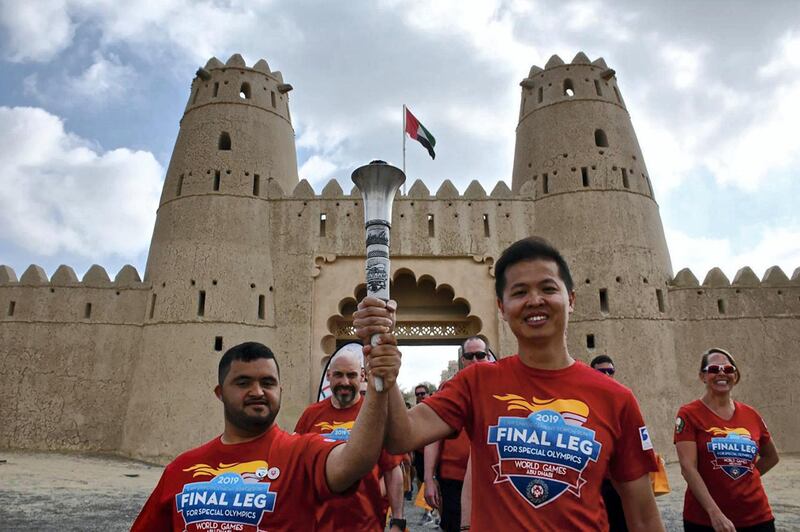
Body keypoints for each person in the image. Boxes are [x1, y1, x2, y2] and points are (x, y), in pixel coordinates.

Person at [354, 236, 664, 531]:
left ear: (570, 300)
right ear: (501, 308)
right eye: (519, 292)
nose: (534, 300)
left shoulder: (616, 399)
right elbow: (401, 437)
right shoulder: (476, 382)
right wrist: (386, 369)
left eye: (547, 288)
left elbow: (643, 518)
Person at [131, 340, 400, 531]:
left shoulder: (302, 454)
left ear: (280, 391)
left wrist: (378, 386)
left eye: (268, 383)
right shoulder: (181, 469)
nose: (258, 391)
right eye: (243, 382)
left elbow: (356, 460)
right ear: (220, 393)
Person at [294, 344, 406, 532]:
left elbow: (392, 470)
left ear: (362, 376)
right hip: (318, 523)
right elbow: (296, 467)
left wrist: (398, 521)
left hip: (366, 523)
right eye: (338, 375)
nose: (345, 382)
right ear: (329, 376)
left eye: (351, 375)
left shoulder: (375, 414)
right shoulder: (310, 415)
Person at [674, 348, 780, 532]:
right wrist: (714, 513)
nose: (722, 373)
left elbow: (772, 457)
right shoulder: (689, 414)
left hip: (756, 517)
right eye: (714, 369)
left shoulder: (751, 414)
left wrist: (744, 479)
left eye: (728, 369)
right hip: (705, 520)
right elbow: (687, 467)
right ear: (703, 376)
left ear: (735, 376)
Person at [424, 337, 492, 532]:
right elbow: (433, 435)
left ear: (487, 356)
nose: (475, 361)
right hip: (454, 477)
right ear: (463, 360)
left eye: (480, 355)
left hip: (490, 477)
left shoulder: (501, 387)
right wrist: (429, 479)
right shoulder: (450, 388)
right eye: (470, 356)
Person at [590, 354, 627, 532]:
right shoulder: (583, 405)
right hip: (595, 484)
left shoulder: (623, 403)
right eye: (601, 372)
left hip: (620, 484)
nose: (606, 375)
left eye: (609, 371)